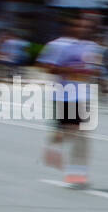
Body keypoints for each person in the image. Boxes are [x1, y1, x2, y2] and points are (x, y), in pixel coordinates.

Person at [38, 13, 102, 188]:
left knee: (82, 134)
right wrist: (71, 70)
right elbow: (47, 67)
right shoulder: (59, 45)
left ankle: (77, 174)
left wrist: (93, 74)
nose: (87, 29)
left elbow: (95, 70)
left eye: (91, 26)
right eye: (83, 26)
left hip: (83, 96)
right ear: (74, 27)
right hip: (63, 95)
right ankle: (54, 143)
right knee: (71, 133)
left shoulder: (94, 47)